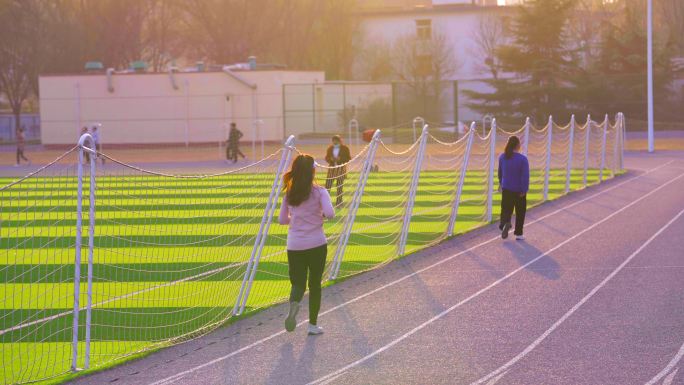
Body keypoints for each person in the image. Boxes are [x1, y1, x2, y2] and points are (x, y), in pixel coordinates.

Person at [278, 154, 335, 335]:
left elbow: (282, 220)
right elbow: (330, 213)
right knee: (315, 284)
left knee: (298, 284)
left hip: (294, 245)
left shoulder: (289, 193)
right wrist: (318, 216)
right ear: (313, 171)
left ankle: (294, 303)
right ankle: (312, 325)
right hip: (317, 243)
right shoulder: (320, 192)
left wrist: (296, 218)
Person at [498, 135, 529, 240]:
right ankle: (519, 234)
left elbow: (500, 173)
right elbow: (525, 176)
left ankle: (505, 224)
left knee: (506, 209)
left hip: (506, 188)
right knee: (520, 212)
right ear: (517, 145)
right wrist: (524, 189)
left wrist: (501, 184)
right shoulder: (523, 159)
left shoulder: (502, 157)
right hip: (519, 190)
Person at [324, 135, 351, 206]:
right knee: (328, 186)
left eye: (336, 140)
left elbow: (348, 158)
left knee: (339, 187)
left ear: (339, 141)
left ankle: (339, 203)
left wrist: (340, 159)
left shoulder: (345, 148)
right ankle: (326, 203)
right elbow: (326, 158)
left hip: (341, 169)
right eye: (333, 140)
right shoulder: (330, 148)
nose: (334, 142)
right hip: (331, 169)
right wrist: (331, 159)